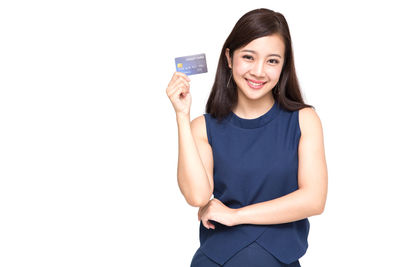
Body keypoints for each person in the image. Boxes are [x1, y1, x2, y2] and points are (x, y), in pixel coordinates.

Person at [166, 8, 328, 267]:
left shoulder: (303, 120)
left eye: (272, 61)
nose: (259, 71)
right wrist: (182, 116)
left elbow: (314, 199)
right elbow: (198, 197)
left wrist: (236, 215)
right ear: (229, 58)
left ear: (284, 65)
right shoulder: (203, 127)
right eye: (249, 57)